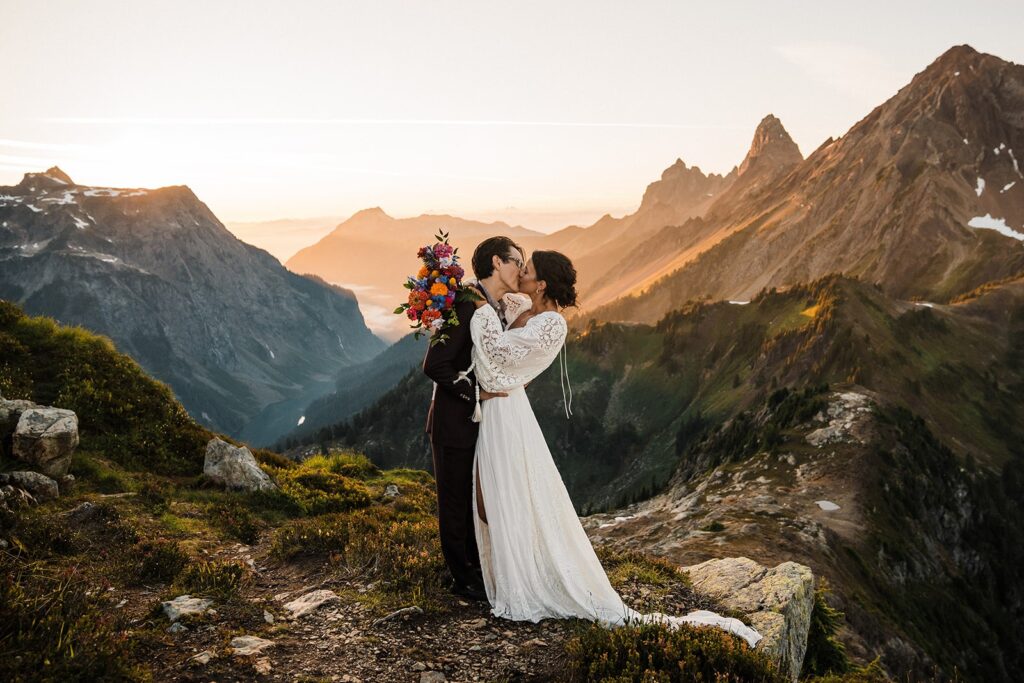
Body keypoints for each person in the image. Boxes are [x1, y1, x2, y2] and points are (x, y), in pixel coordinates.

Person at [466, 250, 763, 648]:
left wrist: (478, 314)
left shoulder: (552, 324)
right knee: (493, 496)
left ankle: (528, 578)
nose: (520, 271)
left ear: (542, 284)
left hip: (507, 411)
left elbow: (499, 360)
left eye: (528, 269)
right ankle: (510, 571)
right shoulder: (521, 306)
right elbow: (498, 324)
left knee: (506, 494)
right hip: (498, 408)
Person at [422, 235, 525, 601]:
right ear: (497, 262)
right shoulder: (467, 304)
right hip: (452, 423)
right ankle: (462, 579)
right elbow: (435, 365)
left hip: (474, 424)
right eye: (517, 262)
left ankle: (473, 569)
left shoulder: (489, 305)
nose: (522, 270)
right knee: (454, 503)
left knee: (470, 500)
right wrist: (475, 394)